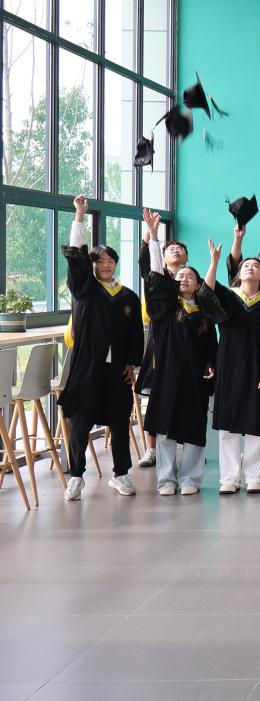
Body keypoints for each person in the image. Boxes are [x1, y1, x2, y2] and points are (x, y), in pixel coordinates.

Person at [60, 196, 145, 501]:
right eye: (99, 261)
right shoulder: (85, 290)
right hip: (87, 368)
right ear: (91, 266)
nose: (106, 265)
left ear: (116, 264)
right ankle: (76, 477)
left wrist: (132, 364)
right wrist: (79, 217)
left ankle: (121, 474)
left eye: (110, 260)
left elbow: (136, 335)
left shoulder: (129, 297)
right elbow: (75, 258)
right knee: (80, 424)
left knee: (120, 422)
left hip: (117, 370)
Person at [140, 237, 219, 495]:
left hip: (195, 377)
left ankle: (190, 479)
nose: (184, 278)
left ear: (198, 284)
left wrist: (211, 364)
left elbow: (211, 344)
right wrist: (153, 239)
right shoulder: (164, 308)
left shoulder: (204, 313)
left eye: (190, 276)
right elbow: (154, 280)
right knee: (165, 427)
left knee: (195, 425)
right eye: (180, 276)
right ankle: (166, 480)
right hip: (167, 375)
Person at [204, 240, 260, 494]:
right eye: (246, 265)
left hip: (259, 369)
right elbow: (206, 293)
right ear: (239, 273)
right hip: (229, 366)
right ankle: (229, 478)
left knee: (257, 422)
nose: (251, 268)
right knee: (228, 424)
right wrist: (214, 262)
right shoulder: (229, 298)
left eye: (256, 266)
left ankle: (255, 476)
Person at [136, 209, 190, 467]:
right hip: (160, 343)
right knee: (156, 398)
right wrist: (151, 236)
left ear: (187, 257)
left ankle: (187, 446)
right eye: (170, 249)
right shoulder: (155, 278)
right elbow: (146, 263)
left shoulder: (191, 280)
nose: (175, 250)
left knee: (184, 397)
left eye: (180, 249)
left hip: (185, 345)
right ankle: (151, 450)